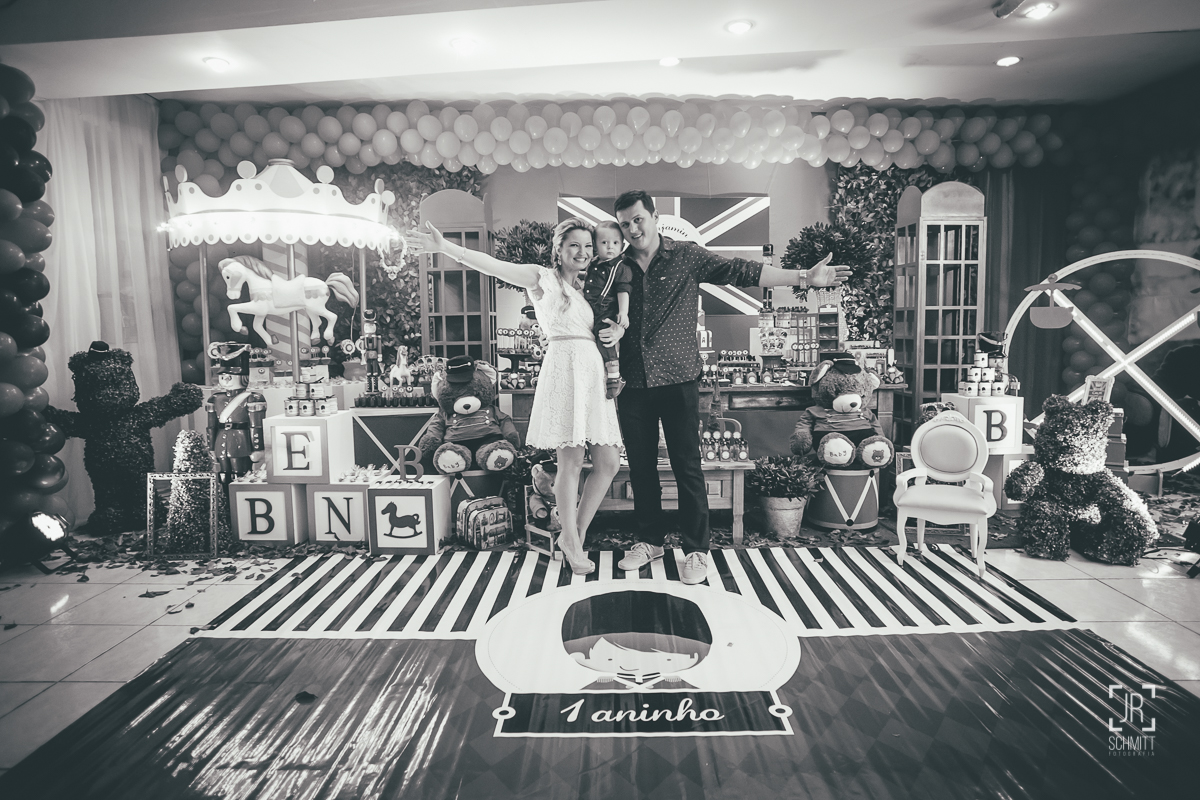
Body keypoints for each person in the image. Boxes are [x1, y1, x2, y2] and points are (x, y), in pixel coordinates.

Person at [611, 190, 851, 584]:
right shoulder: (617, 267)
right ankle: (650, 540)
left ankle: (696, 549)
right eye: (625, 224)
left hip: (680, 379)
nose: (633, 229)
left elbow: (743, 271)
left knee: (687, 467)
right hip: (633, 382)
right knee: (641, 468)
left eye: (638, 219)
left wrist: (804, 278)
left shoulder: (686, 256)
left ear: (653, 216)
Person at [409, 217, 623, 575]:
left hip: (592, 373)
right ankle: (572, 541)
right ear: (558, 248)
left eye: (588, 246)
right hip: (565, 369)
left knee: (608, 463)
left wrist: (617, 330)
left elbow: (606, 325)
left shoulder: (593, 284)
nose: (583, 252)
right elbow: (493, 266)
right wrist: (445, 247)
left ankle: (574, 533)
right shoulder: (542, 278)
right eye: (574, 245)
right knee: (570, 462)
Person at [581, 220, 633, 399]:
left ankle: (614, 375)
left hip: (607, 311)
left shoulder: (620, 267)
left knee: (605, 336)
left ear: (622, 246)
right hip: (591, 310)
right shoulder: (593, 264)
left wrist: (623, 312)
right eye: (604, 242)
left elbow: (623, 290)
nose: (610, 247)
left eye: (615, 243)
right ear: (595, 246)